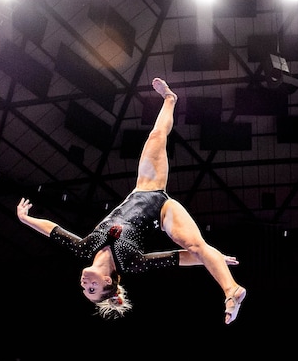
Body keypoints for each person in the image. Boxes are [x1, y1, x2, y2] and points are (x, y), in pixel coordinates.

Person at [16, 77, 247, 323]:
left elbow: (53, 231)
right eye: (91, 290)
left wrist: (25, 219)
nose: (84, 285)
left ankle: (170, 99)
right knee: (194, 245)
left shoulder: (84, 247)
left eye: (84, 290)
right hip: (163, 212)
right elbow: (178, 257)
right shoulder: (130, 263)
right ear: (107, 282)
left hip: (146, 187)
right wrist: (208, 256)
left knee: (156, 136)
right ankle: (231, 290)